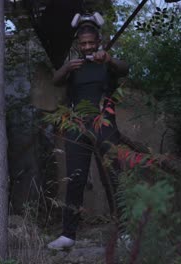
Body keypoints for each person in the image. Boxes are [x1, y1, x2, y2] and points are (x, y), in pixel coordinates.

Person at [47, 18, 129, 250]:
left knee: (113, 176)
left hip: (104, 124)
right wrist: (66, 67)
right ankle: (68, 236)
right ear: (78, 44)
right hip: (77, 127)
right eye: (83, 44)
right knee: (75, 178)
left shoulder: (107, 63)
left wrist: (109, 59)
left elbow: (125, 69)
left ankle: (125, 231)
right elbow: (55, 80)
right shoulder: (74, 66)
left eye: (90, 43)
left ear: (98, 41)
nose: (87, 48)